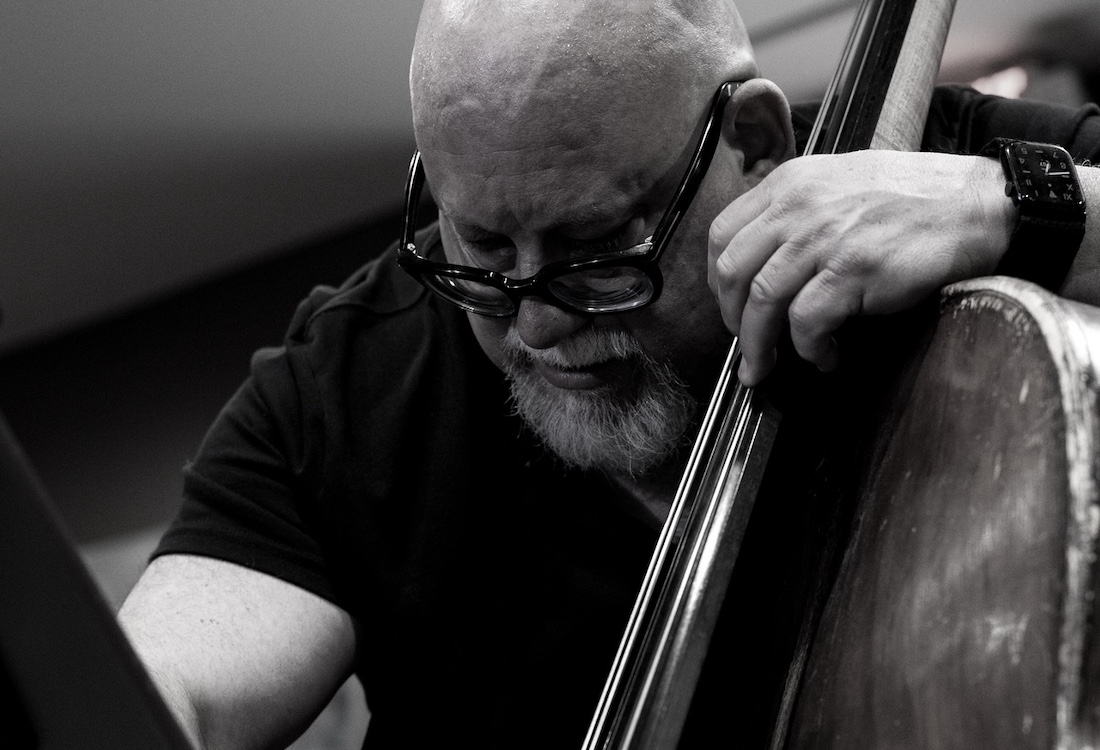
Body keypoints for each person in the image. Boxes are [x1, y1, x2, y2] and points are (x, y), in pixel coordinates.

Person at [118, 1, 1100, 748]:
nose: (536, 320)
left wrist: (1010, 205)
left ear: (750, 145)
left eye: (593, 248)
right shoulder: (346, 384)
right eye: (479, 248)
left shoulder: (941, 168)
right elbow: (166, 694)